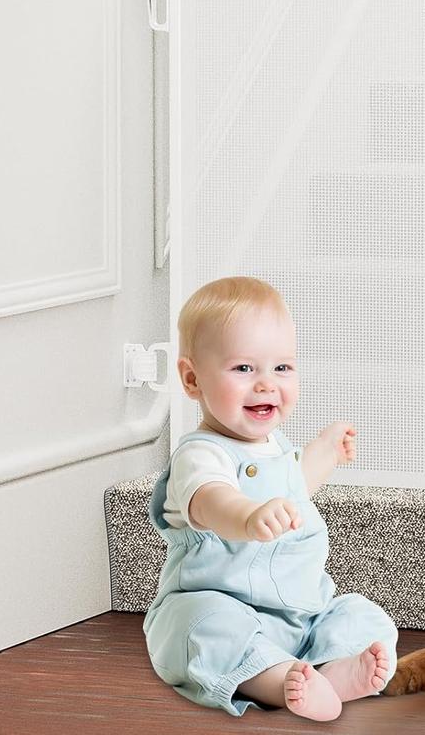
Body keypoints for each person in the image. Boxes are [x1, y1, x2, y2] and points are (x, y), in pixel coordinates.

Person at [143, 276, 398, 720]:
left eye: (282, 368)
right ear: (191, 379)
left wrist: (325, 452)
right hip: (220, 603)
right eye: (244, 369)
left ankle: (333, 669)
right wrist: (247, 516)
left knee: (364, 616)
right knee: (204, 629)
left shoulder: (275, 446)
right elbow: (211, 500)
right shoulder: (200, 455)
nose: (265, 384)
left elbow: (293, 486)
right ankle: (277, 682)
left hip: (300, 614)